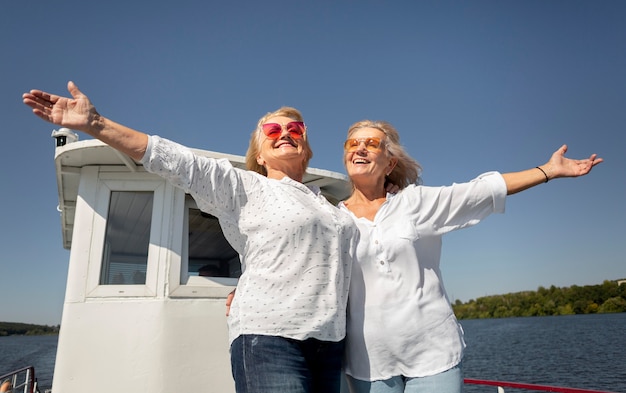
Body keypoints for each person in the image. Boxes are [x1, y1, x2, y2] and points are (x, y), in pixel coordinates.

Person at [22, 81, 359, 393]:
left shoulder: (329, 206)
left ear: (307, 146)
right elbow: (179, 162)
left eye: (294, 128)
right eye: (272, 129)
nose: (284, 133)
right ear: (259, 154)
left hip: (330, 341)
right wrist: (96, 123)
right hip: (270, 338)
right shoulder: (246, 187)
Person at [338, 120, 602, 393]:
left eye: (371, 144)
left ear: (390, 164)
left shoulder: (414, 203)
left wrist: (548, 170)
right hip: (368, 363)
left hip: (432, 354)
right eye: (353, 144)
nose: (360, 150)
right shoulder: (333, 218)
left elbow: (483, 189)